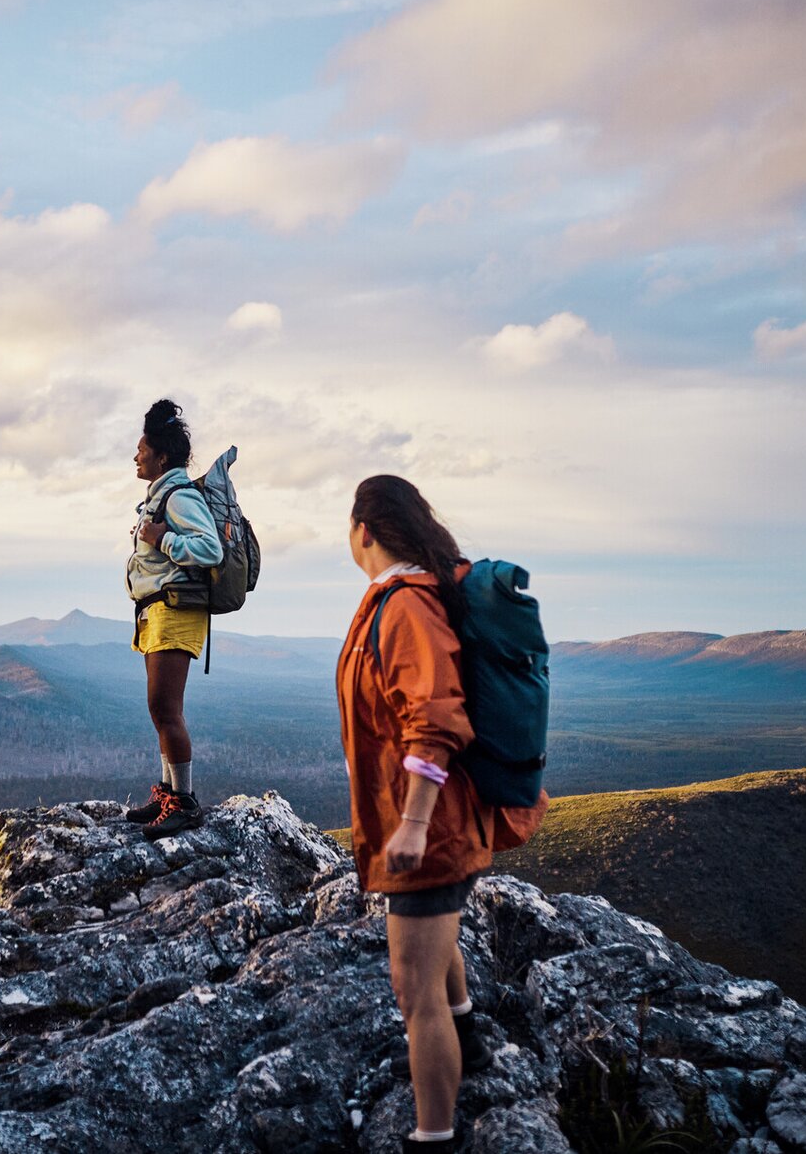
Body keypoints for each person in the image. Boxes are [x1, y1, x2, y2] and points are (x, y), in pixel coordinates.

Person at [338, 474, 547, 1153]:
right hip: (436, 825)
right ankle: (470, 1037)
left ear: (362, 530)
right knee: (436, 953)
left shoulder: (404, 607)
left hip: (433, 830)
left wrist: (414, 822)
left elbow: (434, 720)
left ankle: (436, 1136)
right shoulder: (403, 598)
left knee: (413, 991)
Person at [121, 398, 225, 841]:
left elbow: (210, 549)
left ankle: (183, 802)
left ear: (161, 455)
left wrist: (162, 538)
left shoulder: (180, 497)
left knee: (166, 708)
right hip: (157, 612)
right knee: (159, 709)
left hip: (174, 611)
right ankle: (168, 792)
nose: (136, 456)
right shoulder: (162, 496)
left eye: (142, 449)